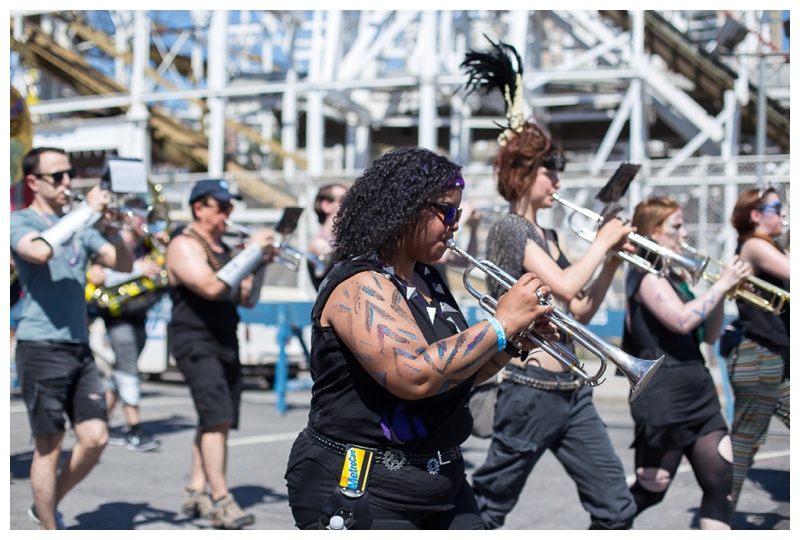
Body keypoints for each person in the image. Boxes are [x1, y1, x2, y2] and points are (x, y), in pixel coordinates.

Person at [283, 146, 556, 530]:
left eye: (458, 213)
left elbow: (454, 375)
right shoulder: (360, 285)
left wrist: (510, 344)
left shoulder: (428, 278)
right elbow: (412, 375)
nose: (454, 224)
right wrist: (499, 325)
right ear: (405, 208)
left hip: (440, 484)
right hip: (362, 486)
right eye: (446, 212)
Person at [469, 120, 639, 530]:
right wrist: (601, 242)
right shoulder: (510, 228)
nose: (557, 182)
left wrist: (612, 259)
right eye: (551, 172)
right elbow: (563, 284)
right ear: (523, 174)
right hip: (529, 391)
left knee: (617, 508)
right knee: (487, 511)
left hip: (572, 392)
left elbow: (578, 310)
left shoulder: (548, 233)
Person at [10, 146, 134, 530]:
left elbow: (124, 263)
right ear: (33, 182)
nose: (68, 182)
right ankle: (50, 529)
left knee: (96, 437)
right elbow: (38, 251)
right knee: (49, 446)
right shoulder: (20, 220)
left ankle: (46, 505)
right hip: (40, 344)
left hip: (78, 345)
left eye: (70, 174)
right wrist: (87, 213)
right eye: (58, 176)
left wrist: (112, 228)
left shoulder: (79, 224)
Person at [622, 196, 751, 529]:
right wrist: (720, 284)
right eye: (676, 227)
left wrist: (722, 293)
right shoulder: (643, 276)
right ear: (652, 232)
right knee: (652, 490)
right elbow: (679, 320)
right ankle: (604, 528)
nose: (684, 233)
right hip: (664, 396)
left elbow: (707, 335)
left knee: (722, 483)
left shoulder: (676, 277)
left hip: (698, 391)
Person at [166, 178, 276, 530]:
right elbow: (212, 287)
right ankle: (221, 498)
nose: (229, 213)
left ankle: (196, 489)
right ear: (199, 207)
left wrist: (259, 264)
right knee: (216, 418)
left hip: (225, 339)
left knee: (216, 418)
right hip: (195, 340)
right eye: (222, 206)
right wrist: (250, 252)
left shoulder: (226, 248)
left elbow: (247, 298)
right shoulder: (184, 243)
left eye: (231, 207)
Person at [86, 199, 169, 453]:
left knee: (120, 372)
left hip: (138, 312)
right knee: (129, 368)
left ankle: (99, 423)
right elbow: (98, 275)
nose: (146, 222)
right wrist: (138, 269)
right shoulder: (109, 241)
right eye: (142, 217)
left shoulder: (147, 245)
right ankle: (135, 429)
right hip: (115, 314)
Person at [724, 188, 790, 510]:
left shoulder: (771, 246)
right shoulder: (753, 244)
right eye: (777, 208)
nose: (783, 214)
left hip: (778, 355)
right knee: (746, 443)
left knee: (746, 442)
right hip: (758, 356)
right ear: (756, 215)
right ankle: (719, 513)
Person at [306, 183, 347, 290]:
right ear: (326, 206)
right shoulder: (318, 244)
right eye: (343, 200)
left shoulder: (343, 240)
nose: (349, 205)